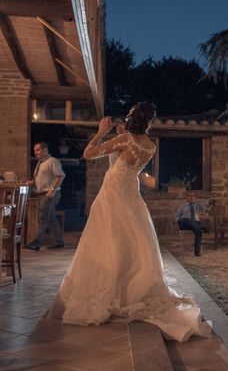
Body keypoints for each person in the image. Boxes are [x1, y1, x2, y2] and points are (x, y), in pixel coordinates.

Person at [48, 102, 212, 342]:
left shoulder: (124, 141)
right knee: (130, 242)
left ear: (131, 120)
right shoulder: (150, 146)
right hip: (130, 195)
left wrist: (102, 131)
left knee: (107, 240)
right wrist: (121, 136)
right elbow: (125, 155)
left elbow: (88, 154)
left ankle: (110, 294)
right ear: (147, 123)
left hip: (112, 193)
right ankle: (128, 292)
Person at [25, 142, 66, 251]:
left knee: (43, 217)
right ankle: (59, 241)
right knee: (51, 217)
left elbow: (60, 176)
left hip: (51, 193)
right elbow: (43, 178)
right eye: (34, 151)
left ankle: (36, 243)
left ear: (45, 150)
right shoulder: (41, 163)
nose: (35, 152)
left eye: (38, 150)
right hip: (42, 193)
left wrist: (52, 189)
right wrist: (32, 182)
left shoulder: (52, 161)